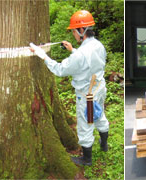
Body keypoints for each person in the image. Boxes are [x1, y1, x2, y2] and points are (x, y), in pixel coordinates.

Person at [29, 10, 109, 166]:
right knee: (100, 115)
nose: (73, 34)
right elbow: (87, 60)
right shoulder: (98, 45)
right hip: (99, 87)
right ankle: (104, 144)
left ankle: (86, 159)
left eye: (73, 31)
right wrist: (73, 49)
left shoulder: (80, 55)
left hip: (87, 94)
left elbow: (60, 70)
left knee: (86, 123)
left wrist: (42, 55)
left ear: (81, 30)